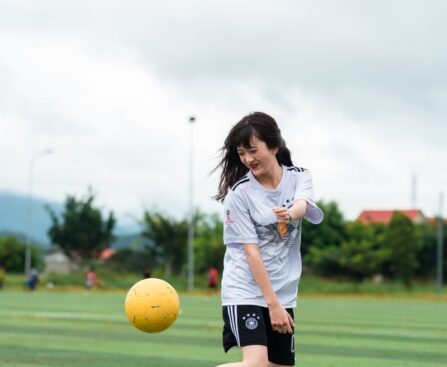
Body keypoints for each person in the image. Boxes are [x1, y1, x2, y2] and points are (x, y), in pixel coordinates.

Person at [213, 112, 324, 367]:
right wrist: (272, 304)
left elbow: (302, 204)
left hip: (282, 293)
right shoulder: (239, 195)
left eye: (253, 150)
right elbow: (251, 253)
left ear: (274, 146)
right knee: (256, 364)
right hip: (245, 291)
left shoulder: (300, 176)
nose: (248, 159)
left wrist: (288, 214)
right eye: (242, 153)